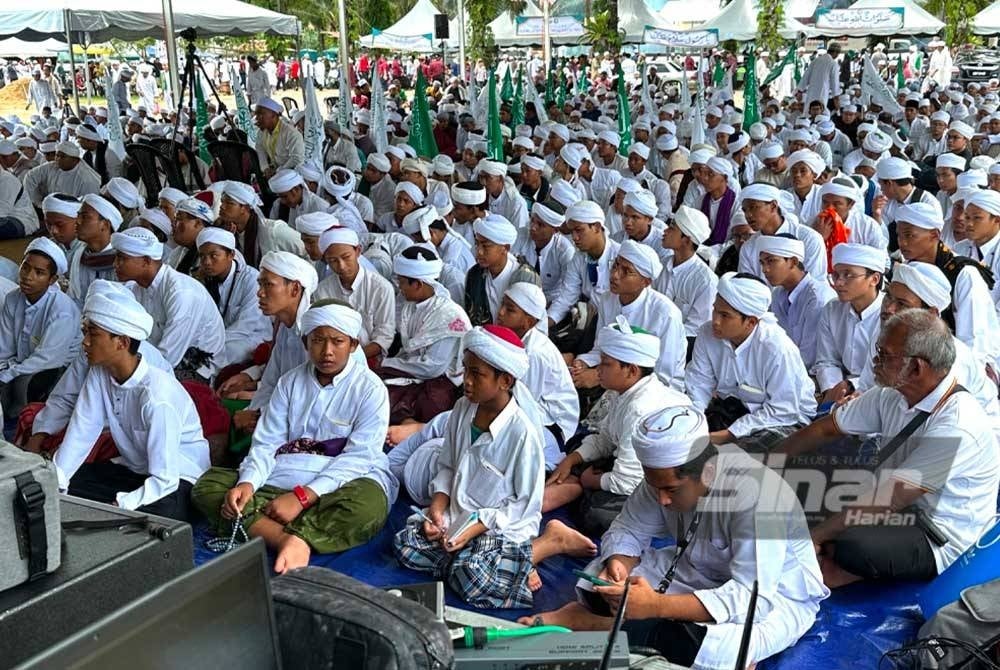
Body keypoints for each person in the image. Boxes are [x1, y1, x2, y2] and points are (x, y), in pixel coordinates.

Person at [524, 406, 828, 670]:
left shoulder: (759, 496)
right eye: (656, 488)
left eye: (671, 490)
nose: (663, 500)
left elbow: (753, 598)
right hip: (693, 570)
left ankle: (592, 623)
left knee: (720, 647)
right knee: (597, 581)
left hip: (777, 596)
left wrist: (657, 606)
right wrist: (619, 566)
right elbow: (629, 529)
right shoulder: (662, 481)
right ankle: (619, 623)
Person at [779, 310, 1000, 588]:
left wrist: (817, 537)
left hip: (936, 534)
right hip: (895, 504)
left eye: (884, 355)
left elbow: (890, 499)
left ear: (917, 368)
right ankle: (827, 560)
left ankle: (834, 567)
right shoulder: (893, 394)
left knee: (854, 546)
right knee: (803, 483)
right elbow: (827, 428)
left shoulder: (958, 424)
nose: (874, 362)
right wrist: (768, 460)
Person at [393, 325, 595, 607]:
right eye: (466, 370)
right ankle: (506, 566)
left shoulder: (522, 434)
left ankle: (547, 543)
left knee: (473, 575)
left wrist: (474, 527)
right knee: (407, 544)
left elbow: (522, 506)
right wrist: (438, 511)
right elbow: (448, 466)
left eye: (477, 374)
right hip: (457, 517)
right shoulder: (463, 409)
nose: (467, 381)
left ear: (505, 380)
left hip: (501, 526)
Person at [193, 303, 397, 574]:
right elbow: (266, 443)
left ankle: (265, 528)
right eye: (318, 341)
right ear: (305, 342)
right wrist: (248, 483)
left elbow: (360, 457)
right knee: (208, 486)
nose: (327, 351)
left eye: (337, 341)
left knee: (367, 506)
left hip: (340, 483)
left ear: (353, 344)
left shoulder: (370, 389)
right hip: (282, 478)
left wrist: (302, 498)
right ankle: (289, 539)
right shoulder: (289, 383)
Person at [51, 284, 211, 521]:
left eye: (92, 334)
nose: (84, 342)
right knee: (70, 481)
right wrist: (57, 481)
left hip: (178, 477)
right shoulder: (100, 373)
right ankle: (111, 510)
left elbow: (165, 478)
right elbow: (83, 429)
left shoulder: (157, 395)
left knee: (165, 511)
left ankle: (113, 510)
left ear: (122, 342)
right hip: (135, 469)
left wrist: (126, 502)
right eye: (85, 332)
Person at [546, 318, 691, 536]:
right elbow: (605, 438)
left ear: (631, 371)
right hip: (632, 464)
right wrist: (572, 459)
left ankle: (575, 490)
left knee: (595, 514)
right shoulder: (622, 391)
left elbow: (628, 482)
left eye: (605, 364)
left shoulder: (639, 409)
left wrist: (592, 481)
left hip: (661, 485)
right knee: (576, 447)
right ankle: (569, 488)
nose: (598, 370)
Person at [687, 272, 817, 451]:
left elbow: (783, 409)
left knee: (739, 454)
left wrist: (726, 435)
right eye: (715, 310)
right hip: (731, 410)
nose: (715, 321)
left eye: (725, 315)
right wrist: (695, 424)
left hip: (782, 420)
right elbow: (699, 384)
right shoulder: (706, 333)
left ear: (751, 322)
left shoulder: (776, 348)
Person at [110, 228, 227, 382]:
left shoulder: (181, 292)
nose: (115, 264)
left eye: (122, 258)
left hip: (198, 367)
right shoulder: (133, 288)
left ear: (146, 261)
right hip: (157, 358)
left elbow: (167, 358)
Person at [573, 241, 686, 392]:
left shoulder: (666, 314)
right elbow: (601, 347)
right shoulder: (608, 299)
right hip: (613, 373)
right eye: (615, 265)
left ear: (645, 282)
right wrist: (584, 363)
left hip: (653, 389)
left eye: (626, 271)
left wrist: (598, 376)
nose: (614, 275)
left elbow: (662, 374)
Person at [377, 246, 470, 424]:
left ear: (418, 284)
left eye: (402, 282)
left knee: (389, 400)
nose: (399, 288)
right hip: (412, 370)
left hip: (441, 382)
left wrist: (387, 363)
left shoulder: (448, 316)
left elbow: (432, 368)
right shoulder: (409, 304)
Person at [496, 282, 578, 472]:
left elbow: (524, 402)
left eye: (510, 310)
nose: (500, 313)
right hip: (529, 405)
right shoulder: (513, 339)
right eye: (502, 305)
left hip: (552, 421)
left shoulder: (534, 353)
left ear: (528, 322)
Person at [0, 239, 80, 417]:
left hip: (55, 368)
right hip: (22, 362)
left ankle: (22, 422)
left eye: (39, 273)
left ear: (52, 280)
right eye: (25, 267)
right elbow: (4, 348)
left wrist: (8, 375)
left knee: (22, 384)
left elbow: (47, 359)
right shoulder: (13, 298)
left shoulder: (62, 311)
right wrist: (4, 369)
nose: (28, 276)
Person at [813, 244, 887, 405]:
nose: (838, 283)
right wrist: (832, 391)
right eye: (836, 275)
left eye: (848, 275)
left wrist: (852, 385)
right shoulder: (832, 309)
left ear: (874, 279)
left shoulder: (890, 315)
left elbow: (889, 372)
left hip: (880, 391)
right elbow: (827, 360)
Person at [314, 227, 396, 364]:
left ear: (358, 251)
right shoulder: (323, 290)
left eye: (346, 257)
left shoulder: (381, 288)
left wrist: (352, 358)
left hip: (368, 357)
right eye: (333, 260)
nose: (341, 265)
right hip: (331, 358)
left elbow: (383, 336)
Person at [196, 227, 272, 369]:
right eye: (202, 256)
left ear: (230, 255)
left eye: (213, 256)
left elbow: (246, 326)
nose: (206, 262)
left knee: (229, 352)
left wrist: (211, 342)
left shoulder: (251, 279)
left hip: (249, 337)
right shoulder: (203, 279)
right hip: (216, 338)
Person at [761, 235, 836, 371]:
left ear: (793, 262)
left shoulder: (817, 298)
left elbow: (808, 357)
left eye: (771, 261)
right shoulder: (777, 294)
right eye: (762, 263)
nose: (765, 269)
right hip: (783, 368)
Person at [657, 206, 717, 352]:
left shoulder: (706, 281)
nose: (665, 230)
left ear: (686, 240)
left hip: (681, 347)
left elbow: (696, 329)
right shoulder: (661, 265)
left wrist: (662, 339)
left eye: (672, 228)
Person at [738, 183, 826, 280]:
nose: (748, 215)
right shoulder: (748, 248)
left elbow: (815, 284)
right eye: (745, 210)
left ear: (773, 206)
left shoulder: (809, 238)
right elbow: (748, 288)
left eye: (754, 207)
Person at [217, 180, 305, 268]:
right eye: (222, 202)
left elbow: (305, 249)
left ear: (245, 208)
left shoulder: (273, 230)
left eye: (229, 203)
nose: (222, 206)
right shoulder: (230, 233)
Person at [254, 97, 305, 177]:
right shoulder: (262, 132)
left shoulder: (291, 133)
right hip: (276, 173)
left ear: (273, 115)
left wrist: (278, 171)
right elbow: (260, 148)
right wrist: (265, 168)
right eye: (256, 114)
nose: (257, 118)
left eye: (261, 114)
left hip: (293, 175)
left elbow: (297, 159)